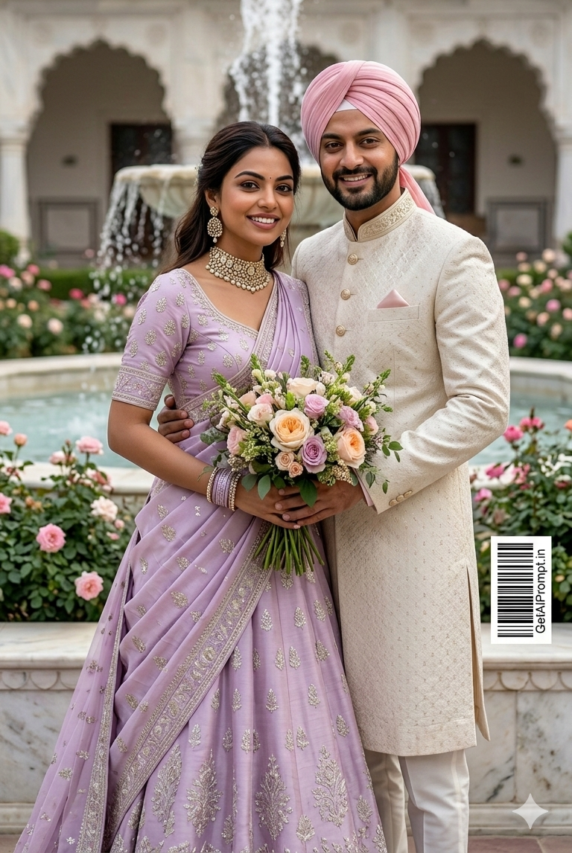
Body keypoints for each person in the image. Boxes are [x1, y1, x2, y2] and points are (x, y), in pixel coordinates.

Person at [158, 62, 510, 853]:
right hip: (312, 555)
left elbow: (483, 405)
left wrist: (365, 483)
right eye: (334, 143)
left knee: (430, 762)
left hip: (413, 547)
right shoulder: (308, 258)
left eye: (367, 141)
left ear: (399, 144)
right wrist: (190, 413)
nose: (350, 159)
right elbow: (260, 360)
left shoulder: (452, 254)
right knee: (354, 764)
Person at [15, 121, 387, 853]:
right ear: (213, 195)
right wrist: (232, 490)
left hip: (284, 541)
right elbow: (126, 428)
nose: (269, 201)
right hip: (195, 537)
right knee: (180, 715)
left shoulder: (298, 293)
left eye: (284, 187)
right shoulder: (174, 294)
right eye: (250, 185)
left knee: (289, 712)